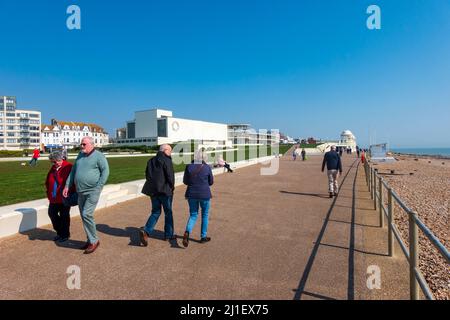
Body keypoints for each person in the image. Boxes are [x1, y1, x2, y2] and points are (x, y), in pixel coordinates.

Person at [63, 137, 110, 254]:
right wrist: (67, 186)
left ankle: (94, 241)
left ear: (91, 145)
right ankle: (90, 239)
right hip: (80, 192)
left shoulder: (99, 156)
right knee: (84, 216)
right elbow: (73, 171)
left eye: (84, 144)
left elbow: (105, 171)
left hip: (92, 191)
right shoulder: (80, 155)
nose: (82, 146)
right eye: (81, 144)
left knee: (86, 214)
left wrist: (99, 187)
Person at [139, 144, 176, 247]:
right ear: (165, 150)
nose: (170, 153)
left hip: (153, 191)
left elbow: (147, 175)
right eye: (170, 151)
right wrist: (172, 187)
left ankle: (146, 231)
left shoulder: (150, 161)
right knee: (168, 212)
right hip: (165, 191)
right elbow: (170, 176)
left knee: (155, 212)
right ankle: (168, 234)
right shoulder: (167, 160)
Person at [182, 150, 214, 247]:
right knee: (204, 215)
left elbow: (185, 181)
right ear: (204, 158)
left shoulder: (188, 167)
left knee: (193, 215)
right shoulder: (207, 167)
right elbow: (211, 182)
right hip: (204, 194)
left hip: (191, 194)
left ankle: (187, 232)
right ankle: (203, 236)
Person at [45, 151, 74, 242]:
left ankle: (65, 235)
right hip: (53, 197)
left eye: (57, 160)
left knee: (64, 216)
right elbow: (47, 180)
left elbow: (73, 182)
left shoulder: (69, 167)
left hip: (64, 197)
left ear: (63, 158)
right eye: (53, 161)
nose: (55, 163)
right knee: (52, 213)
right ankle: (60, 232)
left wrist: (70, 193)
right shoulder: (53, 168)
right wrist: (48, 192)